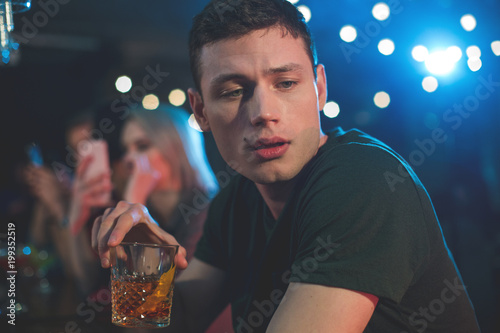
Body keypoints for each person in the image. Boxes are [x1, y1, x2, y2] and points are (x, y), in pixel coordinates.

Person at [91, 1, 482, 332]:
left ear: (320, 88)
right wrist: (139, 261)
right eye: (232, 92)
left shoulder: (365, 178)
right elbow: (173, 321)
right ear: (200, 110)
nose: (263, 113)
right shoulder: (235, 200)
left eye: (286, 83)